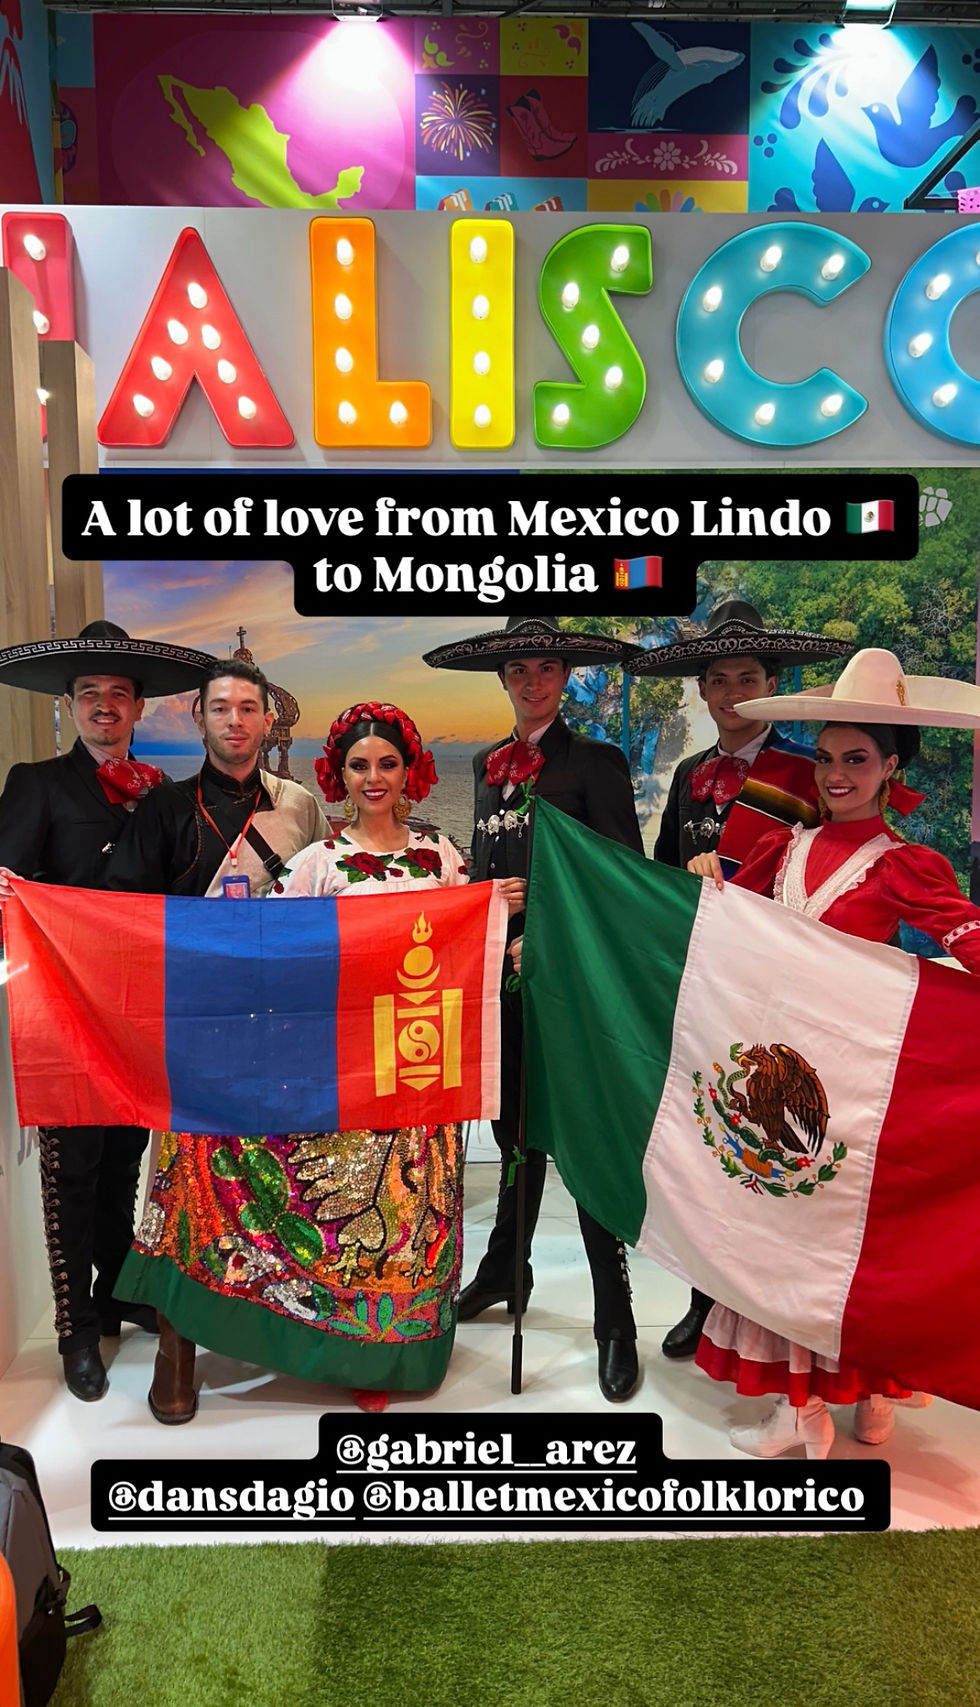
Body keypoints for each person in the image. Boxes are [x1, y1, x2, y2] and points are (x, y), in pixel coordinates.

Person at [114, 700, 520, 1417]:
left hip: (414, 1073)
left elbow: (462, 956)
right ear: (339, 773)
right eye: (359, 764)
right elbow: (273, 965)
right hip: (339, 1071)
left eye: (387, 763)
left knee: (400, 1222)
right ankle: (188, 1330)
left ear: (410, 771)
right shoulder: (317, 863)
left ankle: (385, 1353)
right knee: (197, 1144)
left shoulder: (442, 857)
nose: (374, 777)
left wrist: (496, 916)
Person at [686, 648, 980, 1458]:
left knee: (850, 1249)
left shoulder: (904, 866)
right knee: (783, 1243)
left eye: (856, 759)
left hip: (849, 1092)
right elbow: (724, 931)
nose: (836, 775)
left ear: (890, 767)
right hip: (774, 1080)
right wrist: (708, 877)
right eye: (824, 758)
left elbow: (969, 936)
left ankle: (869, 1391)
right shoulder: (782, 849)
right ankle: (806, 1407)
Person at [423, 615, 644, 1402]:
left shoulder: (598, 763)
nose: (533, 680)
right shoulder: (485, 766)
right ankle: (504, 1267)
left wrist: (543, 925)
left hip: (570, 983)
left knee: (579, 1140)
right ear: (504, 680)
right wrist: (487, 913)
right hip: (500, 980)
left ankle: (614, 1318)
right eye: (519, 668)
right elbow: (485, 871)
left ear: (564, 677)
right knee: (513, 1129)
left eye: (547, 667)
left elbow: (620, 882)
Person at [628, 599, 854, 1361]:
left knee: (774, 1152)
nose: (731, 693)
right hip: (704, 984)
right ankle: (707, 1302)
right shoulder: (691, 773)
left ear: (773, 682)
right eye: (718, 679)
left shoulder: (807, 769)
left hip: (783, 985)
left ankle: (773, 1313)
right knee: (708, 1146)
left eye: (747, 677)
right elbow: (661, 876)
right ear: (701, 690)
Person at [104, 656, 326, 1421]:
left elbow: (331, 901)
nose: (235, 721)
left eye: (249, 709)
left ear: (269, 721)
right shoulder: (164, 811)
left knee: (274, 1180)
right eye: (221, 708)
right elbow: (122, 918)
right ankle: (177, 1341)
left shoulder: (299, 806)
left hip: (284, 1025)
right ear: (199, 718)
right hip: (197, 1025)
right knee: (185, 1187)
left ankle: (278, 1319)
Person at [0, 618, 216, 1401]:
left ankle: (118, 1284)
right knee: (74, 1168)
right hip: (62, 1009)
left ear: (136, 710)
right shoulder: (36, 783)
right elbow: (12, 881)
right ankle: (76, 1326)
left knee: (126, 1155)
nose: (104, 706)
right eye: (89, 694)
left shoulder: (161, 793)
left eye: (118, 696)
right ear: (69, 706)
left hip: (137, 1007)